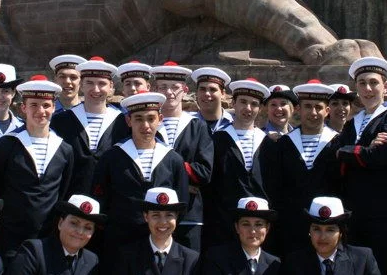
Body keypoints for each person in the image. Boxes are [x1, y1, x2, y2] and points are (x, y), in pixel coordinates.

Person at [335, 57, 387, 275]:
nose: (368, 89)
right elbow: (336, 154)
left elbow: (380, 157)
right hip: (354, 209)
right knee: (357, 273)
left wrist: (347, 152)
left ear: (385, 87)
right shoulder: (353, 122)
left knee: (382, 270)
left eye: (374, 83)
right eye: (362, 83)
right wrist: (361, 150)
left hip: (382, 211)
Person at [0, 76, 75, 255]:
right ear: (23, 108)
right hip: (9, 240)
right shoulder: (6, 145)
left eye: (46, 105)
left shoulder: (65, 149)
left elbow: (64, 192)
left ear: (54, 107)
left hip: (47, 240)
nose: (40, 110)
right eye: (34, 105)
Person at [97, 91, 190, 255]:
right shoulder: (111, 157)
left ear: (160, 120)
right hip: (119, 242)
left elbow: (181, 202)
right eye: (138, 118)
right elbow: (101, 199)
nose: (145, 125)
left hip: (159, 241)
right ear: (128, 120)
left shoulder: (173, 159)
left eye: (151, 118)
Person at [262, 80, 341, 256]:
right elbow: (274, 186)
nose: (313, 112)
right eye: (307, 107)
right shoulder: (282, 144)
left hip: (327, 228)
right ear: (298, 109)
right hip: (290, 228)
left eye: (318, 107)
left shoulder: (338, 143)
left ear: (327, 111)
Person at [149, 62, 213, 251]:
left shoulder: (198, 126)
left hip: (189, 213)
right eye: (163, 87)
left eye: (175, 87)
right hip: (153, 210)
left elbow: (204, 172)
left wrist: (170, 166)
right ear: (154, 89)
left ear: (185, 90)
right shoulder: (146, 124)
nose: (169, 92)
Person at [204, 79, 271, 249]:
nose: (248, 108)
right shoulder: (216, 139)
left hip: (259, 224)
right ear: (233, 103)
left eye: (254, 104)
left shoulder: (269, 143)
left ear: (260, 108)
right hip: (224, 222)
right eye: (243, 102)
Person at [50, 57, 122, 196]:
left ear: (111, 86)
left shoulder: (123, 122)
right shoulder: (60, 121)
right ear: (81, 85)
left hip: (112, 205)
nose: (96, 89)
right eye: (89, 83)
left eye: (102, 83)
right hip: (70, 202)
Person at [191, 66, 233, 133]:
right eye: (202, 89)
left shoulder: (234, 123)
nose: (207, 94)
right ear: (197, 93)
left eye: (213, 89)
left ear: (223, 94)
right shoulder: (186, 123)